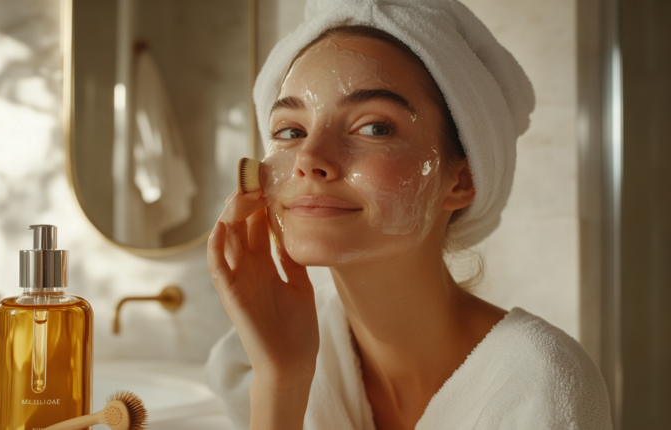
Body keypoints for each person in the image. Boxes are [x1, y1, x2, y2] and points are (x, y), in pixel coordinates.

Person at [206, 1, 613, 429]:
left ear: (461, 181)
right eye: (290, 131)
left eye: (374, 128)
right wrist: (282, 383)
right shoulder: (259, 353)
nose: (309, 158)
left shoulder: (538, 386)